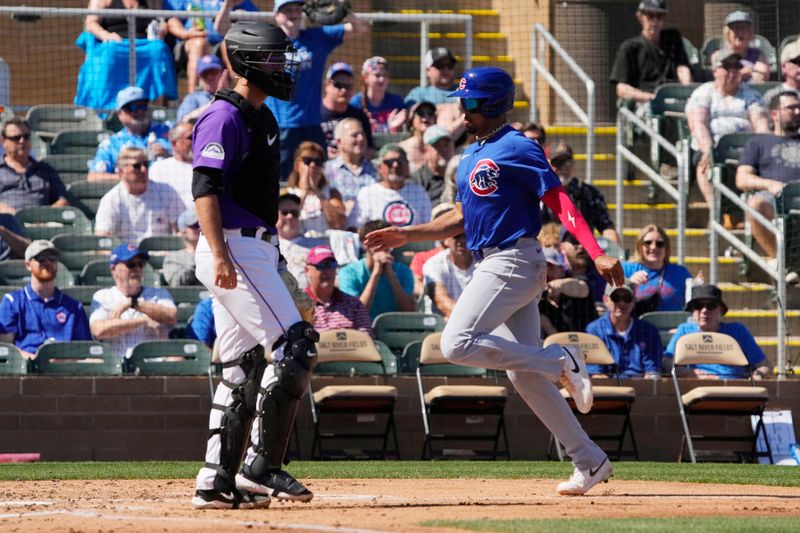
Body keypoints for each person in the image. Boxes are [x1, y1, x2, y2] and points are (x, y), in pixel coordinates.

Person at [364, 66, 625, 496]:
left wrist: (595, 253)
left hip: (514, 259)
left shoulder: (519, 145)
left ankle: (562, 361)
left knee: (456, 343)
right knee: (523, 374)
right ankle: (589, 459)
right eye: (460, 102)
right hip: (496, 262)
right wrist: (408, 234)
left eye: (469, 103)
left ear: (494, 104)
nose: (461, 111)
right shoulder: (469, 155)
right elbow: (461, 218)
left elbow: (559, 201)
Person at [190, 21, 318, 509]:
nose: (281, 67)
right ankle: (262, 467)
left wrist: (272, 253)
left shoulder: (263, 117)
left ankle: (215, 482)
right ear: (245, 62)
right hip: (232, 248)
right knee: (295, 347)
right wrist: (221, 253)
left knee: (241, 367)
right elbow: (204, 189)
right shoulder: (223, 116)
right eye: (272, 58)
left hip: (257, 247)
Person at [269, 0, 365, 180]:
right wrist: (228, 6)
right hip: (279, 126)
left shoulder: (317, 37)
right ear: (277, 15)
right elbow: (222, 32)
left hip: (311, 124)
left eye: (297, 9)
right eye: (287, 9)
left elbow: (359, 29)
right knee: (281, 181)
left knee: (319, 178)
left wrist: (345, 11)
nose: (293, 14)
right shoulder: (266, 41)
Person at [686, 46, 769, 208]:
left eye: (736, 67)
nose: (732, 72)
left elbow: (761, 123)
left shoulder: (751, 95)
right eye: (727, 67)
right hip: (713, 148)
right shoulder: (703, 93)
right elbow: (698, 124)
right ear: (715, 71)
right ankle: (715, 214)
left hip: (745, 151)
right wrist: (708, 150)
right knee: (704, 166)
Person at [736, 91, 800, 280]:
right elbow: (742, 179)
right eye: (791, 108)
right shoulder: (758, 142)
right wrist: (771, 184)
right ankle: (780, 260)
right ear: (774, 114)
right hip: (775, 198)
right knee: (755, 205)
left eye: (799, 108)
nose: (797, 111)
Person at [0, 240, 91, 364]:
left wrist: (63, 362)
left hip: (64, 371)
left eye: (52, 258)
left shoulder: (74, 307)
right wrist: (36, 359)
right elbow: (6, 348)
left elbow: (84, 352)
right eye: (40, 258)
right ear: (28, 265)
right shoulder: (12, 301)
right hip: (26, 368)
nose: (47, 262)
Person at [89, 243, 177, 362]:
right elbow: (99, 330)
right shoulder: (103, 296)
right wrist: (142, 321)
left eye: (140, 264)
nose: (137, 269)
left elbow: (172, 316)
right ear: (114, 269)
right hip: (117, 363)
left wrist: (134, 303)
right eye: (131, 265)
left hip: (153, 363)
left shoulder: (159, 293)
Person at [665, 283, 769, 379]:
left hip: (737, 386)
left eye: (711, 306)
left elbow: (763, 365)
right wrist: (688, 372)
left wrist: (757, 376)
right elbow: (667, 362)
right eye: (698, 306)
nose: (704, 311)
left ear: (721, 311)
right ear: (692, 311)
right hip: (697, 387)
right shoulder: (684, 330)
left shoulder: (738, 331)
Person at [166, 0, 259, 95]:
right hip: (191, 43)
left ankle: (241, 95)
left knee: (230, 45)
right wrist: (187, 33)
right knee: (199, 44)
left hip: (222, 43)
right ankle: (193, 96)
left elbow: (258, 20)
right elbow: (172, 21)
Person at [610, 0, 692, 107]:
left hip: (675, 99)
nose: (655, 21)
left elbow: (682, 69)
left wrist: (687, 92)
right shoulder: (629, 48)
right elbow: (621, 89)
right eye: (650, 16)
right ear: (640, 17)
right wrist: (653, 98)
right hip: (645, 103)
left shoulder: (673, 38)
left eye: (659, 16)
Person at [94, 146, 184, 243]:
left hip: (163, 254)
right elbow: (102, 240)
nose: (144, 169)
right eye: (137, 166)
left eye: (146, 164)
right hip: (129, 255)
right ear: (121, 171)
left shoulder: (166, 191)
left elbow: (181, 230)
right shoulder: (111, 200)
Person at [542, 142, 621, 244]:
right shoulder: (537, 193)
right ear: (547, 165)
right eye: (558, 162)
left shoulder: (589, 193)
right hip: (546, 249)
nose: (564, 167)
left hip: (580, 249)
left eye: (568, 162)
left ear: (574, 164)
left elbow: (606, 227)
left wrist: (614, 249)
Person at [88, 86, 172, 181]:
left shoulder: (169, 130)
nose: (140, 111)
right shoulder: (111, 144)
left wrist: (168, 156)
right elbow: (93, 177)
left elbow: (189, 162)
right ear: (119, 114)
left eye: (143, 106)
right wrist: (128, 176)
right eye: (133, 107)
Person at [338, 220, 415, 319]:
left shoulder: (404, 271)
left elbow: (409, 311)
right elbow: (356, 314)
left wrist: (391, 275)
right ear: (364, 244)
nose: (381, 246)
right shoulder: (348, 273)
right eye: (376, 241)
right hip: (362, 330)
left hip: (395, 329)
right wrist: (375, 274)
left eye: (387, 241)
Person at [585, 281, 663, 378]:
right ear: (605, 300)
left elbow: (652, 371)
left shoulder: (650, 331)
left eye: (627, 298)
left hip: (641, 388)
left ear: (634, 300)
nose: (621, 303)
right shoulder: (594, 330)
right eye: (616, 298)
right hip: (607, 389)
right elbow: (596, 374)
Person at [349, 144, 432, 230]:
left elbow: (428, 227)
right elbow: (355, 228)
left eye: (400, 161)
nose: (395, 165)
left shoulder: (418, 192)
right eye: (389, 162)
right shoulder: (367, 194)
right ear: (379, 167)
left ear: (407, 166)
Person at [0, 118, 69, 214]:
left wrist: (45, 216)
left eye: (26, 137)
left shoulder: (45, 170)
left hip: (43, 225)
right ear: (3, 141)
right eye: (16, 138)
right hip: (8, 223)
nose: (22, 141)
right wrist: (16, 215)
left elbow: (63, 200)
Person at [623, 224, 693, 313]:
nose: (653, 247)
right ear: (640, 246)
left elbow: (694, 301)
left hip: (671, 326)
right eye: (648, 243)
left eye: (659, 244)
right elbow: (611, 296)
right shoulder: (627, 269)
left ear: (666, 248)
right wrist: (629, 283)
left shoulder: (680, 273)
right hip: (637, 325)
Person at [303, 245, 372, 334]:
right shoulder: (297, 305)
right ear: (307, 270)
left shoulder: (354, 304)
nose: (327, 271)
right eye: (322, 266)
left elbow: (366, 338)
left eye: (331, 265)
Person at [285, 141, 346, 235]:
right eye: (307, 161)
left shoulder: (332, 193)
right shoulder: (286, 193)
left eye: (318, 162)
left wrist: (317, 191)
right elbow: (285, 225)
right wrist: (304, 193)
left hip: (325, 245)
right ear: (297, 166)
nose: (313, 165)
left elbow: (339, 225)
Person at [323, 117, 378, 216]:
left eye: (363, 135)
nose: (361, 139)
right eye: (354, 135)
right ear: (339, 142)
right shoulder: (326, 171)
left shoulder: (378, 170)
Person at [319, 62, 374, 157]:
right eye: (338, 85)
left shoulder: (359, 115)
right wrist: (323, 154)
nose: (344, 90)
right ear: (327, 85)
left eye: (348, 86)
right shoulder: (313, 114)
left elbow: (370, 150)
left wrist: (346, 156)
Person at [539, 247, 598, 335]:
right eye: (541, 268)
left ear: (562, 270)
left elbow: (584, 289)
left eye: (550, 267)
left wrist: (558, 285)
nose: (546, 272)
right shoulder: (537, 301)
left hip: (589, 345)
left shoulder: (574, 284)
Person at [276, 192, 322, 289]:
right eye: (284, 213)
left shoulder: (317, 246)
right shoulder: (268, 245)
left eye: (294, 213)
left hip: (309, 300)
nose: (290, 216)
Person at [422, 231, 473, 319]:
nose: (462, 241)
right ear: (446, 239)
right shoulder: (433, 263)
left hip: (474, 325)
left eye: (467, 235)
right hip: (440, 326)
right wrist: (468, 321)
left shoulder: (483, 263)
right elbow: (441, 301)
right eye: (456, 236)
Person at [351, 56, 408, 133]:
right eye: (377, 75)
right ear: (366, 78)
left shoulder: (396, 101)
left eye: (385, 75)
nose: (382, 79)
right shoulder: (356, 103)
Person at [148, 122, 195, 209]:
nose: (196, 141)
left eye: (198, 136)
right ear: (174, 143)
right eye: (191, 137)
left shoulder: (205, 166)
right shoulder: (159, 169)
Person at [410, 124, 456, 206]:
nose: (443, 149)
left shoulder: (462, 174)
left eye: (446, 145)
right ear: (426, 150)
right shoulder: (417, 179)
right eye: (437, 146)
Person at [177, 53, 230, 123]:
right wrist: (216, 101)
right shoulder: (193, 97)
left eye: (213, 72)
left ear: (223, 72)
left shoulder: (234, 94)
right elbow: (183, 121)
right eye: (205, 74)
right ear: (199, 77)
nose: (210, 77)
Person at [720, 10, 770, 83]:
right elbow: (723, 77)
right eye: (736, 28)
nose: (740, 33)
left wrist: (738, 74)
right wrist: (749, 71)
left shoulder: (758, 55)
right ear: (728, 33)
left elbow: (764, 74)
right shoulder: (719, 55)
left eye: (743, 28)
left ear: (750, 33)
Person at [163, 208, 201, 287]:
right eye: (196, 225)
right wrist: (198, 262)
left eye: (202, 225)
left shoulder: (214, 253)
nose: (200, 228)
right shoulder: (173, 257)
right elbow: (176, 282)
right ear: (183, 231)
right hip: (188, 298)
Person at [399, 101, 438, 173]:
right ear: (411, 120)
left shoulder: (441, 146)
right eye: (421, 113)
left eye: (430, 113)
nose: (426, 116)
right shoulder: (403, 147)